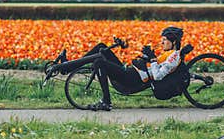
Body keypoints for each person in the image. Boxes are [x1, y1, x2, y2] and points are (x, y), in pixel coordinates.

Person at [54, 26, 184, 111]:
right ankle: (66, 68)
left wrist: (152, 59)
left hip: (132, 80)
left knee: (99, 62)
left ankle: (106, 102)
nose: (162, 42)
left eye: (165, 40)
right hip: (131, 71)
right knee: (102, 48)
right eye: (162, 40)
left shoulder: (174, 57)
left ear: (174, 42)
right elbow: (151, 64)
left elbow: (158, 76)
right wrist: (146, 56)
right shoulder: (167, 53)